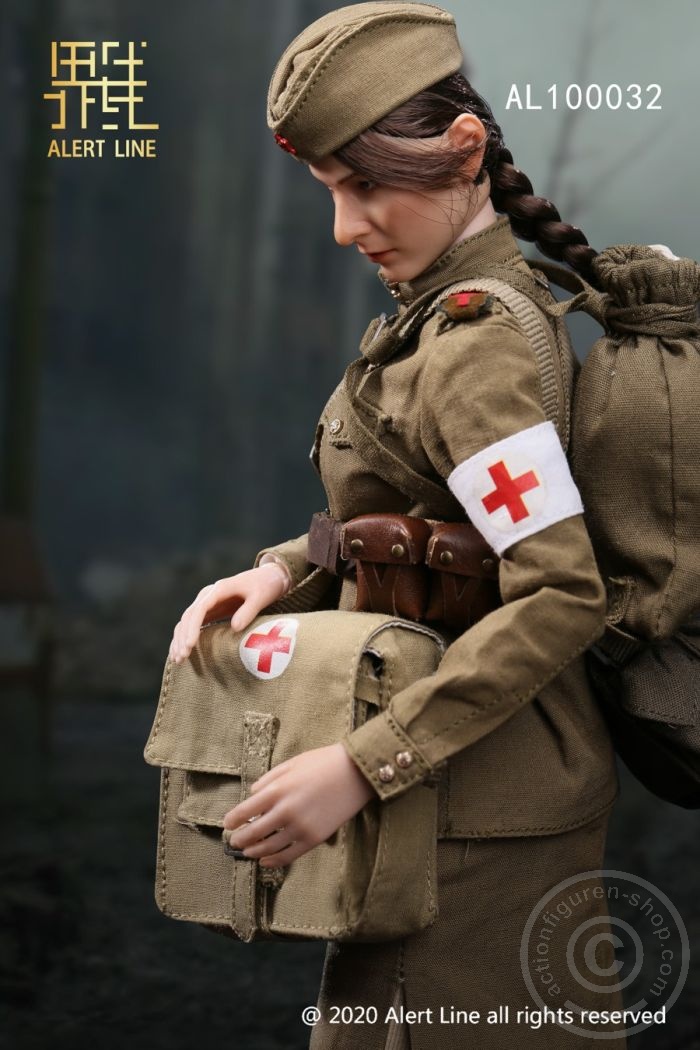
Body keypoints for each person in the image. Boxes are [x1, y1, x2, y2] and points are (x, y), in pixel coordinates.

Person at [169, 4, 627, 1048]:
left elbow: (558, 590)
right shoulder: (446, 318)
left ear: (463, 152)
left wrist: (364, 763)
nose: (346, 226)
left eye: (365, 185)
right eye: (332, 190)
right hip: (454, 796)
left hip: (474, 812)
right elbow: (423, 519)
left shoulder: (476, 342)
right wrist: (285, 571)